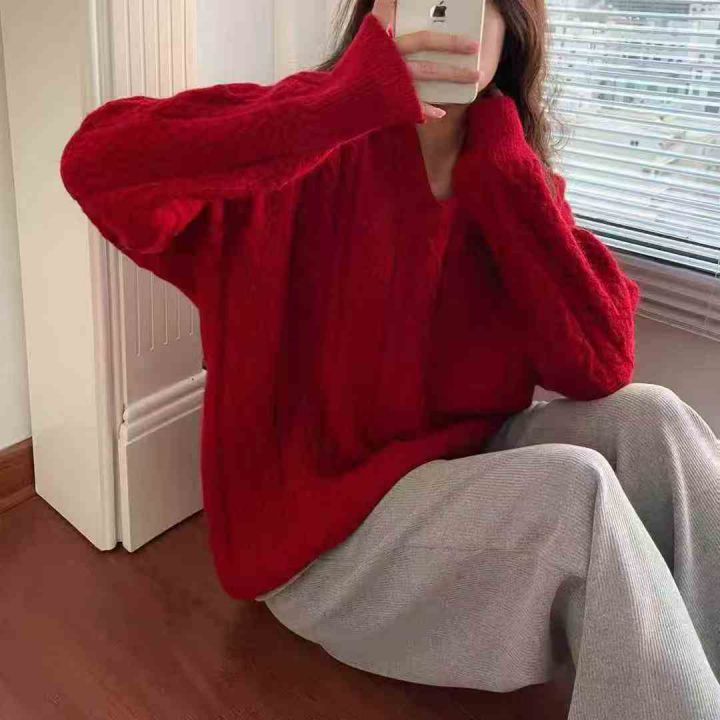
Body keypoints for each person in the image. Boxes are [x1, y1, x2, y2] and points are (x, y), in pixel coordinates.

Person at [59, 0, 720, 716]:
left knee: (655, 420)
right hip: (323, 541)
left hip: (460, 474)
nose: (438, 12)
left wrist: (506, 175)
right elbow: (96, 164)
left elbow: (602, 363)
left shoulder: (508, 170)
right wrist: (340, 104)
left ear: (513, 26)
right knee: (576, 493)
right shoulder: (297, 153)